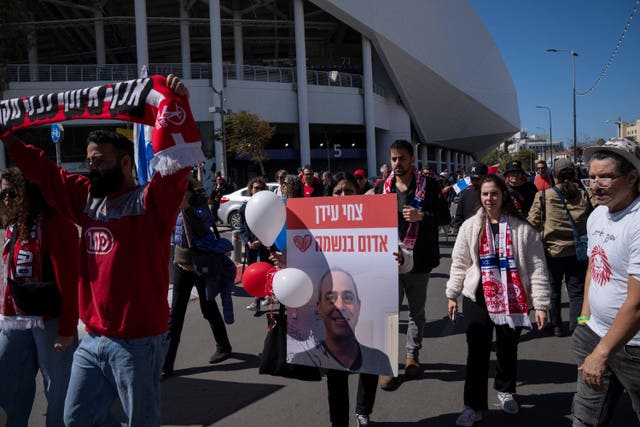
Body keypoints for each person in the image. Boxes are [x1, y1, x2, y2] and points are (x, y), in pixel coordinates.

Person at [0, 74, 193, 426]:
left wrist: (178, 104)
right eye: (89, 161)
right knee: (76, 419)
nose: (92, 167)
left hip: (137, 343)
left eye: (99, 161)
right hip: (93, 340)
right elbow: (44, 172)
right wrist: (8, 137)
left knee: (142, 421)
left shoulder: (151, 203)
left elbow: (178, 163)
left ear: (124, 163)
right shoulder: (86, 200)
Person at [446, 174, 550, 426]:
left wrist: (541, 304)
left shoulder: (523, 230)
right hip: (477, 298)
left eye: (494, 193)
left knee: (507, 348)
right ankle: (473, 405)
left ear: (503, 195)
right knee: (477, 352)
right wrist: (452, 294)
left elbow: (537, 268)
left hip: (512, 298)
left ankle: (505, 390)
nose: (489, 199)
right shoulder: (470, 226)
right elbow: (460, 263)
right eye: (484, 194)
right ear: (479, 197)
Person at [0, 168, 79, 427]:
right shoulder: (13, 225)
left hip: (51, 322)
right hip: (13, 320)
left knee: (57, 388)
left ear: (29, 192)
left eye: (13, 193)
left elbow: (68, 283)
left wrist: (67, 330)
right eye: (3, 194)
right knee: (8, 381)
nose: (7, 199)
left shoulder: (58, 224)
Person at [571, 138, 640, 427]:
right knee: (585, 419)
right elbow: (594, 267)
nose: (595, 184)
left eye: (606, 177)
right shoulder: (597, 215)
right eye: (592, 176)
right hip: (594, 334)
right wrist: (585, 317)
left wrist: (603, 352)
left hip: (633, 348)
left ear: (633, 177)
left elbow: (637, 305)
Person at [375, 139, 450, 390]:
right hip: (389, 262)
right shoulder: (381, 188)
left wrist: (422, 216)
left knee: (417, 312)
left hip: (420, 261)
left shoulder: (429, 185)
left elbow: (445, 217)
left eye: (402, 158)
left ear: (411, 160)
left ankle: (412, 356)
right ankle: (387, 362)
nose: (397, 163)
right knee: (389, 314)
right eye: (394, 158)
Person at [163, 176, 233, 376]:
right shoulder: (174, 205)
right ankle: (166, 365)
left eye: (180, 189)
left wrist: (186, 208)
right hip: (181, 266)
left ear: (189, 192)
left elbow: (203, 231)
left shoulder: (199, 205)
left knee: (208, 308)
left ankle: (224, 346)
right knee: (175, 316)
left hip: (200, 265)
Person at [528, 158, 592, 337]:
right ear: (574, 175)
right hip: (577, 252)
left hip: (551, 252)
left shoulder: (543, 196)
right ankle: (578, 326)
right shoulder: (584, 194)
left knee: (553, 290)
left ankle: (556, 326)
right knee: (577, 292)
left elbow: (532, 223)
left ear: (553, 175)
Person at [240, 177, 274, 313]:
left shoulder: (268, 208)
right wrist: (247, 241)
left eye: (261, 188)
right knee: (254, 273)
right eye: (256, 188)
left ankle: (264, 297)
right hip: (251, 247)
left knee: (266, 272)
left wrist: (262, 240)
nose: (258, 190)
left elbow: (272, 226)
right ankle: (257, 300)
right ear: (251, 190)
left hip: (265, 245)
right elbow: (242, 228)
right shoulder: (244, 208)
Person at [452, 161, 489, 231]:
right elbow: (459, 216)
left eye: (477, 179)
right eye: (472, 178)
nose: (474, 181)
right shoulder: (465, 194)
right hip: (468, 233)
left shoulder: (492, 194)